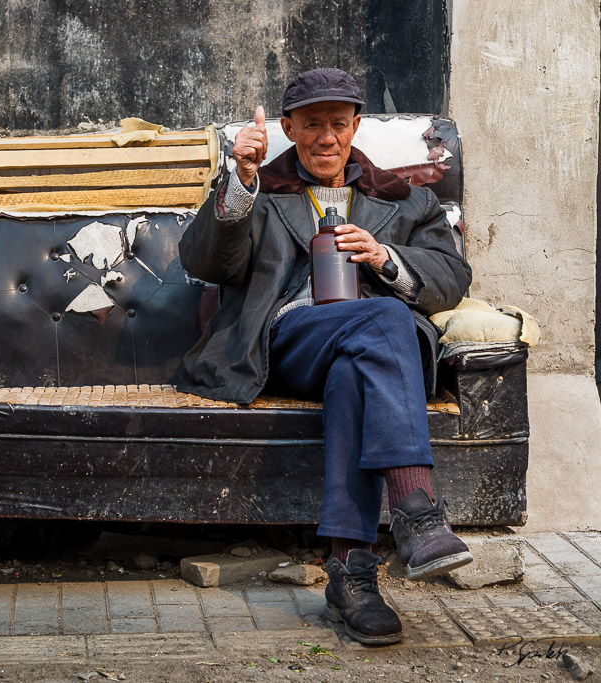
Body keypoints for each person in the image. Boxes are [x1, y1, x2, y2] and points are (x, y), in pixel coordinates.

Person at [176, 68, 473, 646]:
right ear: (290, 129)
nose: (327, 138)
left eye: (339, 124)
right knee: (384, 321)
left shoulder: (407, 200)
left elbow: (453, 276)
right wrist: (239, 181)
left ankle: (351, 572)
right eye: (312, 126)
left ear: (356, 126)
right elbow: (205, 263)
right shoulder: (263, 193)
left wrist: (386, 258)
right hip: (287, 339)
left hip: (373, 355)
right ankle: (417, 509)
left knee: (355, 370)